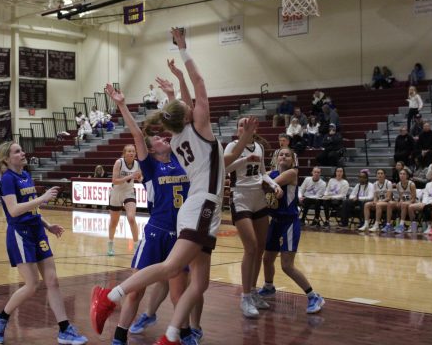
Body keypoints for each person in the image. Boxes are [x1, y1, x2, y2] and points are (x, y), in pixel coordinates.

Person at [90, 27, 231, 345]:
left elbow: (182, 104)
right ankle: (111, 297)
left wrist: (176, 84)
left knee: (199, 283)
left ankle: (172, 335)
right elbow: (199, 87)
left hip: (195, 210)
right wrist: (184, 50)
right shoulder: (193, 133)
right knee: (170, 270)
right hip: (196, 208)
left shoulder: (180, 138)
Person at [106, 80, 199, 345]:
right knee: (135, 291)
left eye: (163, 136)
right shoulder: (150, 168)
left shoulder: (182, 160)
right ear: (152, 149)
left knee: (178, 294)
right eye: (157, 138)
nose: (162, 138)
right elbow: (137, 135)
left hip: (180, 235)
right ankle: (119, 337)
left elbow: (186, 124)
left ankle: (183, 334)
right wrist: (122, 105)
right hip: (156, 233)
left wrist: (174, 94)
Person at [0, 142, 87, 345]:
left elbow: (31, 209)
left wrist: (48, 225)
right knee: (32, 284)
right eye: (17, 151)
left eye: (22, 150)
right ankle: (1, 318)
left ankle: (64, 329)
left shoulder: (25, 175)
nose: (22, 153)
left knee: (52, 281)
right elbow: (14, 210)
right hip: (20, 234)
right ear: (7, 158)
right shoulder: (7, 178)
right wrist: (42, 198)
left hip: (38, 231)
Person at [225, 116, 281, 318]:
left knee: (260, 248)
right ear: (238, 129)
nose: (243, 127)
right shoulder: (232, 146)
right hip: (240, 197)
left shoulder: (259, 146)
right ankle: (245, 296)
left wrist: (275, 185)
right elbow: (224, 169)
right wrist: (244, 159)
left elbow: (263, 173)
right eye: (240, 124)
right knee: (250, 246)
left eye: (246, 125)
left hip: (259, 198)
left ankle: (254, 291)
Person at [256, 147, 325, 313]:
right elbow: (264, 184)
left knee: (287, 265)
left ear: (293, 160)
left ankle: (313, 296)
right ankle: (269, 286)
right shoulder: (271, 174)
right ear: (276, 157)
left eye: (287, 155)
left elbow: (269, 184)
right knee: (267, 259)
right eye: (281, 154)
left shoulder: (292, 173)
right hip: (275, 222)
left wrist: (266, 186)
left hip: (289, 222)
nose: (284, 157)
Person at [107, 144, 142, 256]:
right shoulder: (119, 162)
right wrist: (130, 176)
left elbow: (140, 177)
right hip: (116, 193)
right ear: (124, 153)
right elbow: (114, 181)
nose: (131, 153)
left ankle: (136, 246)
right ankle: (110, 244)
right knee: (114, 222)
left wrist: (140, 178)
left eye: (133, 151)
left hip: (129, 192)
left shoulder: (137, 164)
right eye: (129, 151)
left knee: (131, 218)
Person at [408, 170, 432, 234]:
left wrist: (427, 203)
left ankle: (429, 226)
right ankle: (413, 225)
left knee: (428, 207)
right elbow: (425, 194)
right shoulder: (428, 184)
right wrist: (424, 202)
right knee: (410, 207)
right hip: (426, 202)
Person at [392, 168, 418, 234]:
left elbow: (413, 199)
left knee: (403, 204)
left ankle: (401, 225)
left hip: (413, 202)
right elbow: (401, 197)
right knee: (396, 205)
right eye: (400, 174)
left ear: (407, 176)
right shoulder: (398, 185)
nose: (402, 175)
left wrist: (405, 202)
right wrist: (400, 201)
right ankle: (396, 224)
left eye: (404, 174)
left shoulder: (411, 184)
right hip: (405, 202)